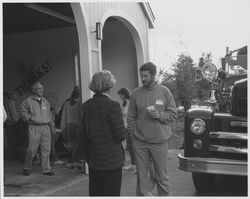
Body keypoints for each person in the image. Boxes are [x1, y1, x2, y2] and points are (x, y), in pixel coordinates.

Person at [127, 62, 177, 196]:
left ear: (153, 75)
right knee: (141, 177)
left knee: (161, 176)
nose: (143, 79)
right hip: (140, 142)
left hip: (159, 141)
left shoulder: (164, 91)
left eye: (145, 76)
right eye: (141, 76)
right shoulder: (136, 93)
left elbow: (173, 114)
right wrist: (132, 136)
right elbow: (130, 117)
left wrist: (160, 115)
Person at [81, 70, 126, 196]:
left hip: (94, 158)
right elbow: (120, 135)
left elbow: (85, 131)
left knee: (96, 193)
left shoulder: (86, 105)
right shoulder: (113, 106)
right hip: (112, 160)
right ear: (110, 85)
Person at [20, 82, 54, 176]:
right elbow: (22, 112)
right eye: (39, 89)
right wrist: (30, 118)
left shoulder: (45, 102)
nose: (41, 90)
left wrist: (52, 126)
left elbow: (49, 114)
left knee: (46, 149)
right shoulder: (28, 101)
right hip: (34, 127)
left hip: (45, 127)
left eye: (42, 88)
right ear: (34, 90)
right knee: (32, 148)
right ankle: (27, 167)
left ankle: (46, 169)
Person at [59, 86, 81, 168]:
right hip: (77, 126)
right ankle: (75, 161)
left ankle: (70, 161)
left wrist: (62, 127)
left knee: (69, 144)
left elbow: (62, 116)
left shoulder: (66, 103)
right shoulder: (80, 103)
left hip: (68, 126)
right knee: (77, 144)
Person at [117, 87, 136, 172]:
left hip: (132, 127)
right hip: (126, 127)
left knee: (134, 147)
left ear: (124, 95)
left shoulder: (132, 103)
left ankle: (137, 165)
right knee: (130, 147)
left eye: (120, 95)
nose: (120, 97)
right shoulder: (124, 104)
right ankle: (133, 164)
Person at [4, 92, 20, 160]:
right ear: (11, 97)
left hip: (8, 124)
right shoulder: (11, 103)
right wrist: (18, 121)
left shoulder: (8, 103)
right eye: (14, 96)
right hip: (11, 124)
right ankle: (12, 156)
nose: (16, 97)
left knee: (10, 140)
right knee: (12, 140)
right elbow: (13, 114)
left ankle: (11, 156)